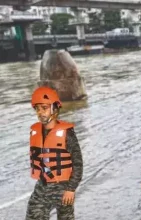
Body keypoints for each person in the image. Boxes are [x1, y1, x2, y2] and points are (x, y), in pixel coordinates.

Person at [26, 87, 83, 220]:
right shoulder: (35, 131)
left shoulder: (67, 134)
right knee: (33, 215)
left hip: (63, 186)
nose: (40, 112)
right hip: (42, 184)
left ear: (55, 109)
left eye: (44, 108)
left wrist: (71, 189)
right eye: (37, 109)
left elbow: (78, 164)